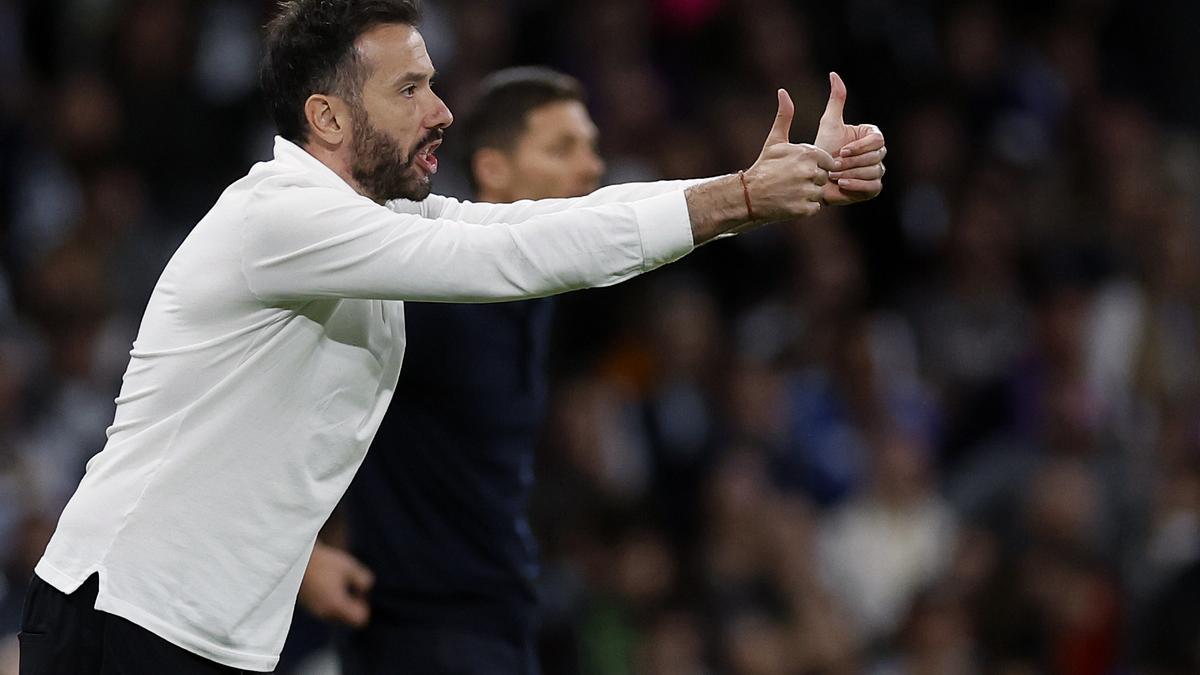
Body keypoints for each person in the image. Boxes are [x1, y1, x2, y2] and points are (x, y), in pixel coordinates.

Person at [19, 0, 887, 672]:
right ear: (327, 117)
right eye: (409, 90)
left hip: (211, 634)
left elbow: (538, 221)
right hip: (124, 615)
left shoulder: (371, 222)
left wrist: (750, 190)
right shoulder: (279, 218)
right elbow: (509, 254)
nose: (441, 111)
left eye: (433, 83)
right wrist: (739, 198)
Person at [295, 66, 606, 675]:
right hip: (418, 631)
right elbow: (286, 392)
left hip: (502, 615)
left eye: (591, 147)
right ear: (493, 170)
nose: (591, 167)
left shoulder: (540, 295)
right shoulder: (429, 291)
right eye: (563, 148)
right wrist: (299, 557)